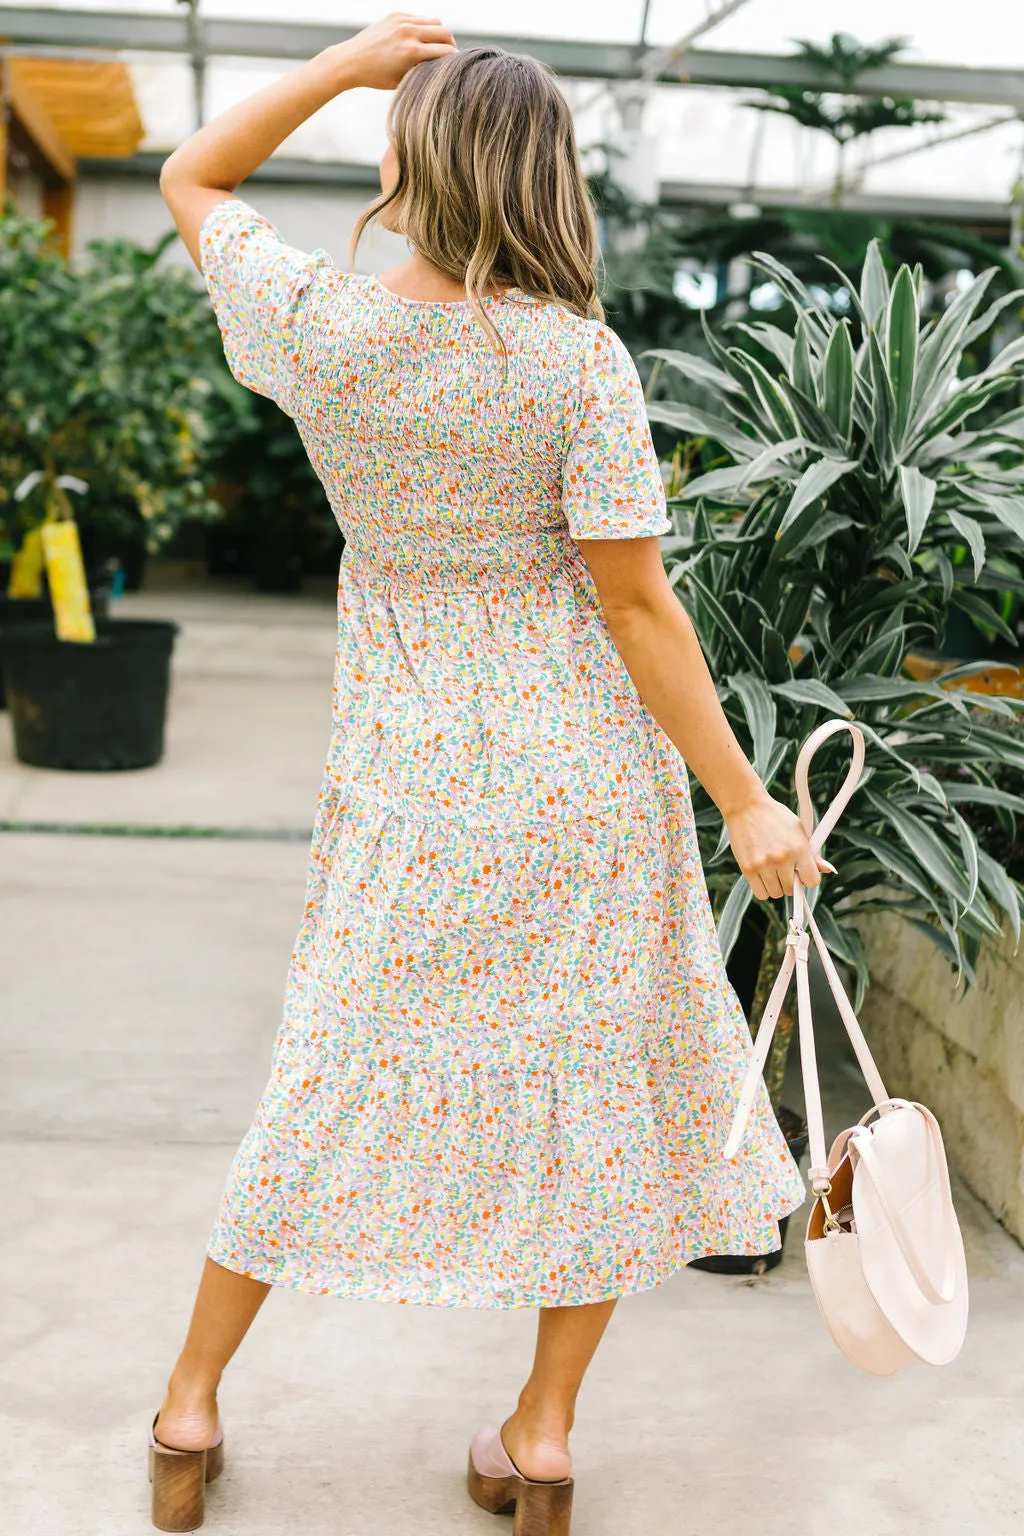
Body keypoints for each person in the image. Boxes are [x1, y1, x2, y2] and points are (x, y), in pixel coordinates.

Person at [155, 14, 821, 1533]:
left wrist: (340, 67)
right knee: (590, 1093)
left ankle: (189, 1412)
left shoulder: (318, 324)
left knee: (326, 1075)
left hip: (409, 783)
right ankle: (539, 1442)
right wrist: (743, 798)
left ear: (410, 160)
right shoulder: (579, 364)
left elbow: (196, 177)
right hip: (581, 783)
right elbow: (638, 606)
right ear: (544, 176)